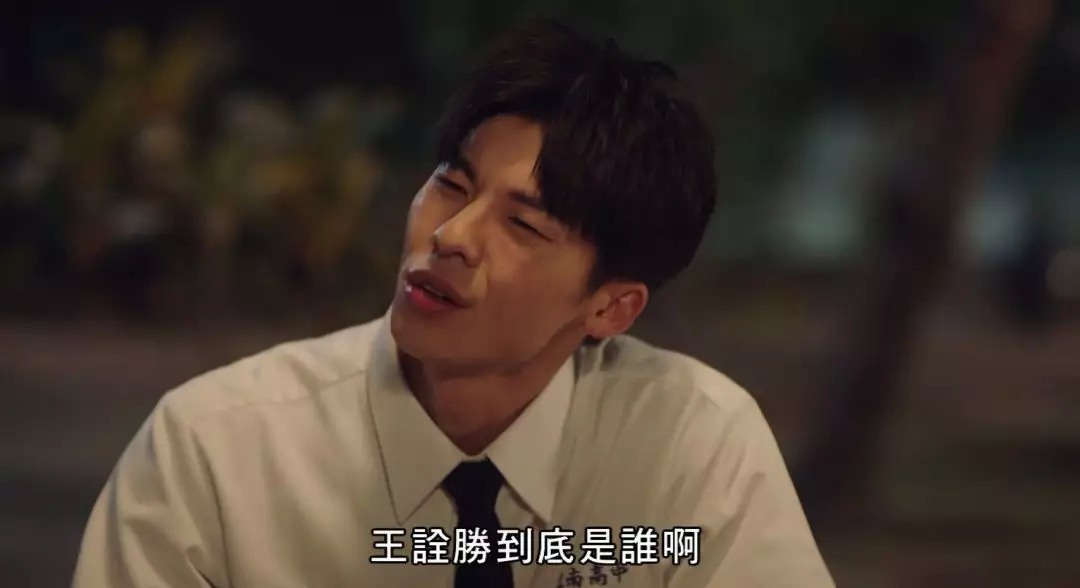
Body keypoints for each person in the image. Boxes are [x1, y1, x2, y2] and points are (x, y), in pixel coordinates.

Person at [73, 19, 833, 587]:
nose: (452, 236)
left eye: (524, 226)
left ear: (611, 309)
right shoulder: (214, 452)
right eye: (452, 184)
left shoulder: (691, 445)